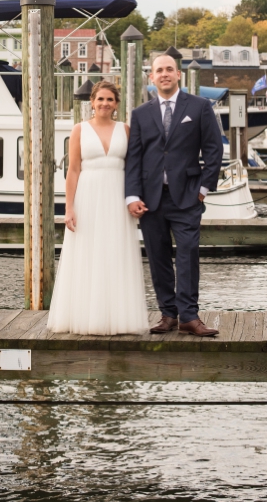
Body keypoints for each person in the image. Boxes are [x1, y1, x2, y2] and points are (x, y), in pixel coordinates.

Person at [123, 52, 225, 337]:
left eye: (170, 69)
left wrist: (203, 189)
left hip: (188, 196)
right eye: (159, 70)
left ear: (178, 74)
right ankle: (168, 313)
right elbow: (134, 157)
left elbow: (214, 150)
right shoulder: (141, 114)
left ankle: (189, 317)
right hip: (151, 199)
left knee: (188, 254)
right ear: (151, 77)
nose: (165, 74)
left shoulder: (200, 106)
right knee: (157, 256)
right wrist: (132, 196)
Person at [47, 82, 148, 335]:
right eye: (100, 99)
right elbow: (73, 170)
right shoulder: (79, 130)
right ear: (92, 102)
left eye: (110, 100)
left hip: (117, 196)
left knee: (116, 252)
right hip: (88, 196)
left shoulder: (125, 129)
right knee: (87, 253)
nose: (105, 104)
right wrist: (68, 208)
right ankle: (84, 316)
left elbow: (134, 168)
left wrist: (134, 198)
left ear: (116, 104)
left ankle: (119, 318)